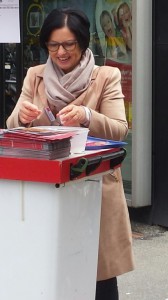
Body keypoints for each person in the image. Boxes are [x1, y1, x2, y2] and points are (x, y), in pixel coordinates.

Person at [6, 8, 134, 299]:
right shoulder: (34, 76)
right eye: (53, 45)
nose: (60, 52)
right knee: (50, 270)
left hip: (93, 189)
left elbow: (119, 129)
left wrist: (87, 115)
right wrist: (22, 116)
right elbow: (12, 127)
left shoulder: (105, 76)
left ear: (83, 43)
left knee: (98, 276)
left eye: (68, 45)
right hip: (47, 192)